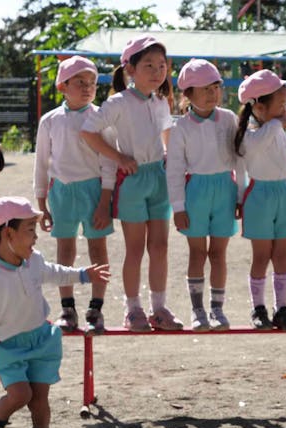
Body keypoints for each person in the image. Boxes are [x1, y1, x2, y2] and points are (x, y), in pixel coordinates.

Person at [0, 197, 110, 428]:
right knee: (20, 394)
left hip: (41, 340)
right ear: (7, 233)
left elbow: (54, 272)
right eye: (29, 230)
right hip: (9, 347)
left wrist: (82, 274)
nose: (35, 237)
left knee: (39, 399)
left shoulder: (33, 261)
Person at [80, 34, 183, 332]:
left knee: (161, 246)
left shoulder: (161, 101)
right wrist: (120, 157)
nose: (156, 71)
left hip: (159, 179)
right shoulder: (118, 102)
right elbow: (89, 132)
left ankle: (159, 308)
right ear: (130, 70)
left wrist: (174, 163)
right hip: (133, 182)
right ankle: (133, 309)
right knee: (135, 249)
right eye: (148, 65)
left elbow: (167, 135)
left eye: (161, 65)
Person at [34, 56, 114, 336]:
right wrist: (41, 201)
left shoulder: (100, 118)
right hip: (62, 191)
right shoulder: (50, 121)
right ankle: (67, 308)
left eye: (92, 82)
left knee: (97, 249)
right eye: (79, 82)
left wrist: (105, 200)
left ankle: (96, 308)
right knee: (65, 250)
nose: (87, 87)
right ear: (62, 86)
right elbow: (42, 162)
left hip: (93, 189)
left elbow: (108, 161)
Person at [166, 58, 241, 331]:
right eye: (204, 89)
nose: (212, 94)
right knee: (197, 253)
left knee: (219, 253)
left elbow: (240, 159)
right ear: (188, 94)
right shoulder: (181, 127)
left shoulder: (230, 118)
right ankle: (197, 310)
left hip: (225, 189)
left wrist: (241, 196)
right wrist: (178, 206)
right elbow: (174, 169)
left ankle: (217, 309)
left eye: (216, 88)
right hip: (196, 191)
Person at [234, 69, 286, 331]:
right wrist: (240, 200)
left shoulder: (274, 129)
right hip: (259, 197)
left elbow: (278, 159)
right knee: (261, 256)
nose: (284, 110)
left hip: (282, 194)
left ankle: (282, 308)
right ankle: (258, 308)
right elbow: (256, 150)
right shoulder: (250, 135)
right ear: (260, 107)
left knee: (282, 254)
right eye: (280, 104)